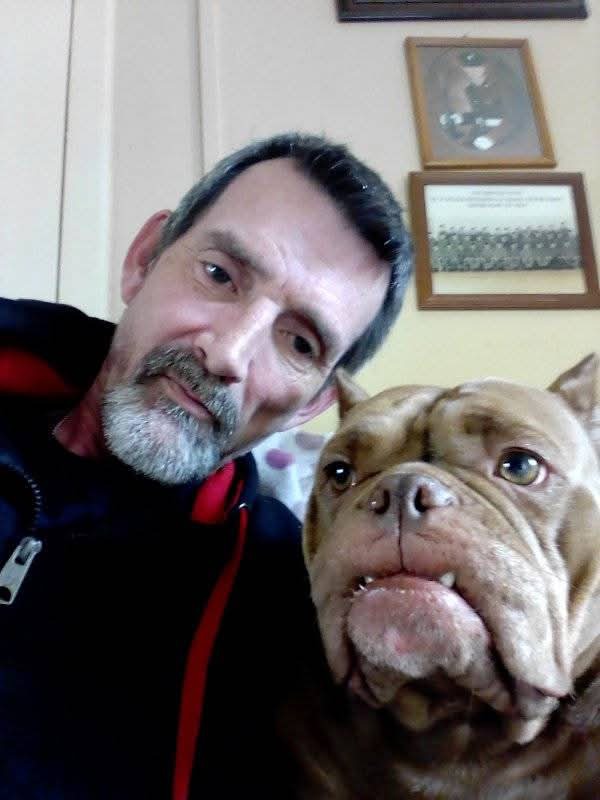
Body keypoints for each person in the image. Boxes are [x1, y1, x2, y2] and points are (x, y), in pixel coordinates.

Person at [0, 132, 412, 799]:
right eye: (219, 275)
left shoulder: (287, 608)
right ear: (144, 259)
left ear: (314, 404)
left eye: (299, 342)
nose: (228, 353)